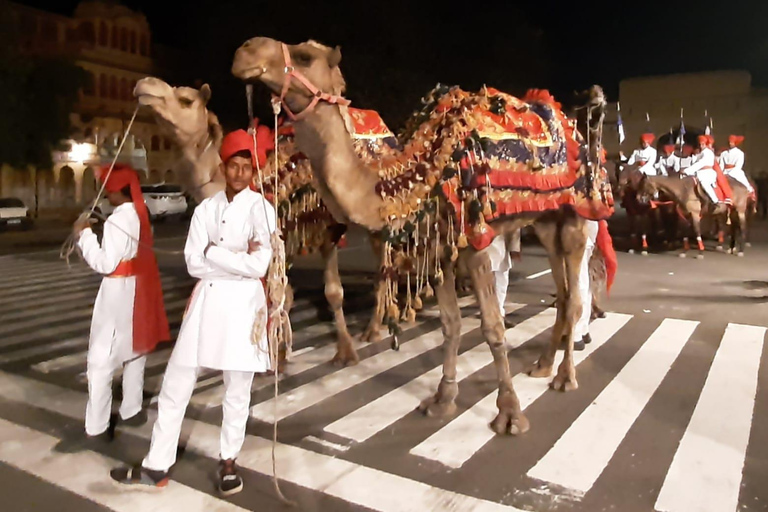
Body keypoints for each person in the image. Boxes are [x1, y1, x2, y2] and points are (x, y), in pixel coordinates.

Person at [111, 128, 277, 496]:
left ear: (254, 172)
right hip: (207, 302)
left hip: (244, 309)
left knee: (237, 391)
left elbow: (260, 265)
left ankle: (229, 460)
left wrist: (215, 254)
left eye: (245, 168)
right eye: (232, 166)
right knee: (175, 384)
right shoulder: (206, 208)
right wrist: (234, 260)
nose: (238, 173)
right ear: (223, 168)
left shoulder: (262, 209)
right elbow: (192, 263)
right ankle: (156, 465)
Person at [72, 164, 169, 442]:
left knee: (101, 360)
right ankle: (132, 408)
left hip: (116, 291)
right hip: (136, 289)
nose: (105, 195)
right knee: (134, 349)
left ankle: (97, 426)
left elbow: (106, 262)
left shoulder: (118, 220)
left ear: (116, 191)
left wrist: (85, 236)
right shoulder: (138, 215)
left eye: (107, 189)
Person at [487, 229, 521, 329]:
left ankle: (498, 314)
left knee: (502, 278)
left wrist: (515, 247)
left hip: (500, 239)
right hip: (484, 239)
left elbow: (514, 224)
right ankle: (491, 314)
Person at [684, 135, 726, 205]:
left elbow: (701, 163)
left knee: (704, 183)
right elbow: (695, 163)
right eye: (700, 144)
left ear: (705, 144)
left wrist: (687, 171)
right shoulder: (700, 153)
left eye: (702, 144)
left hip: (707, 173)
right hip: (698, 173)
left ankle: (715, 201)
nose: (701, 146)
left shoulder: (708, 153)